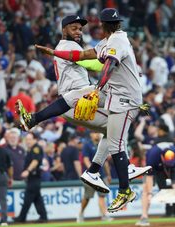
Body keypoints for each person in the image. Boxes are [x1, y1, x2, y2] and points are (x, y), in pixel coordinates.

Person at [17, 13, 151, 198]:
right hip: (76, 100)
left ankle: (95, 171)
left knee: (114, 130)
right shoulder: (69, 45)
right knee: (117, 127)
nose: (79, 32)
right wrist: (125, 65)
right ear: (64, 29)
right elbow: (94, 63)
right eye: (74, 28)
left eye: (80, 28)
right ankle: (115, 170)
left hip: (72, 100)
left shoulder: (66, 45)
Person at [136, 144, 175, 226]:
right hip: (154, 169)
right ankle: (144, 217)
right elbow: (149, 177)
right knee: (145, 189)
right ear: (162, 157)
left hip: (170, 170)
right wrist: (150, 193)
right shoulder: (153, 156)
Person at [77, 132, 113, 223]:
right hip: (90, 175)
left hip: (102, 175)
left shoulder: (102, 143)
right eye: (95, 133)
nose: (96, 134)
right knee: (87, 197)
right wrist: (92, 172)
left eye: (98, 133)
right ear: (90, 134)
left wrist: (108, 174)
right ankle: (81, 213)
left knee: (102, 196)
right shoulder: (87, 145)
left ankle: (104, 215)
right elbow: (85, 159)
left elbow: (105, 161)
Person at [13, 132, 47, 223]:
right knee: (37, 199)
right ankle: (43, 217)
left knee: (27, 199)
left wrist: (27, 171)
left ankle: (21, 218)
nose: (27, 141)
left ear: (35, 140)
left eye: (29, 139)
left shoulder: (36, 148)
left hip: (34, 177)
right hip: (33, 178)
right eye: (26, 139)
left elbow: (35, 161)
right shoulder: (30, 149)